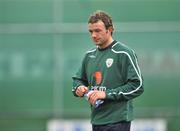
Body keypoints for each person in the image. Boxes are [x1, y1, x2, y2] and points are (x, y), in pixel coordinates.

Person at [72, 10, 144, 131]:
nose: (93, 35)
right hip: (96, 120)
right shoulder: (89, 56)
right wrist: (79, 88)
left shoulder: (124, 53)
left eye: (97, 31)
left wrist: (106, 94)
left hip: (117, 121)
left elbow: (137, 86)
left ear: (109, 30)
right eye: (91, 31)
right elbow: (77, 81)